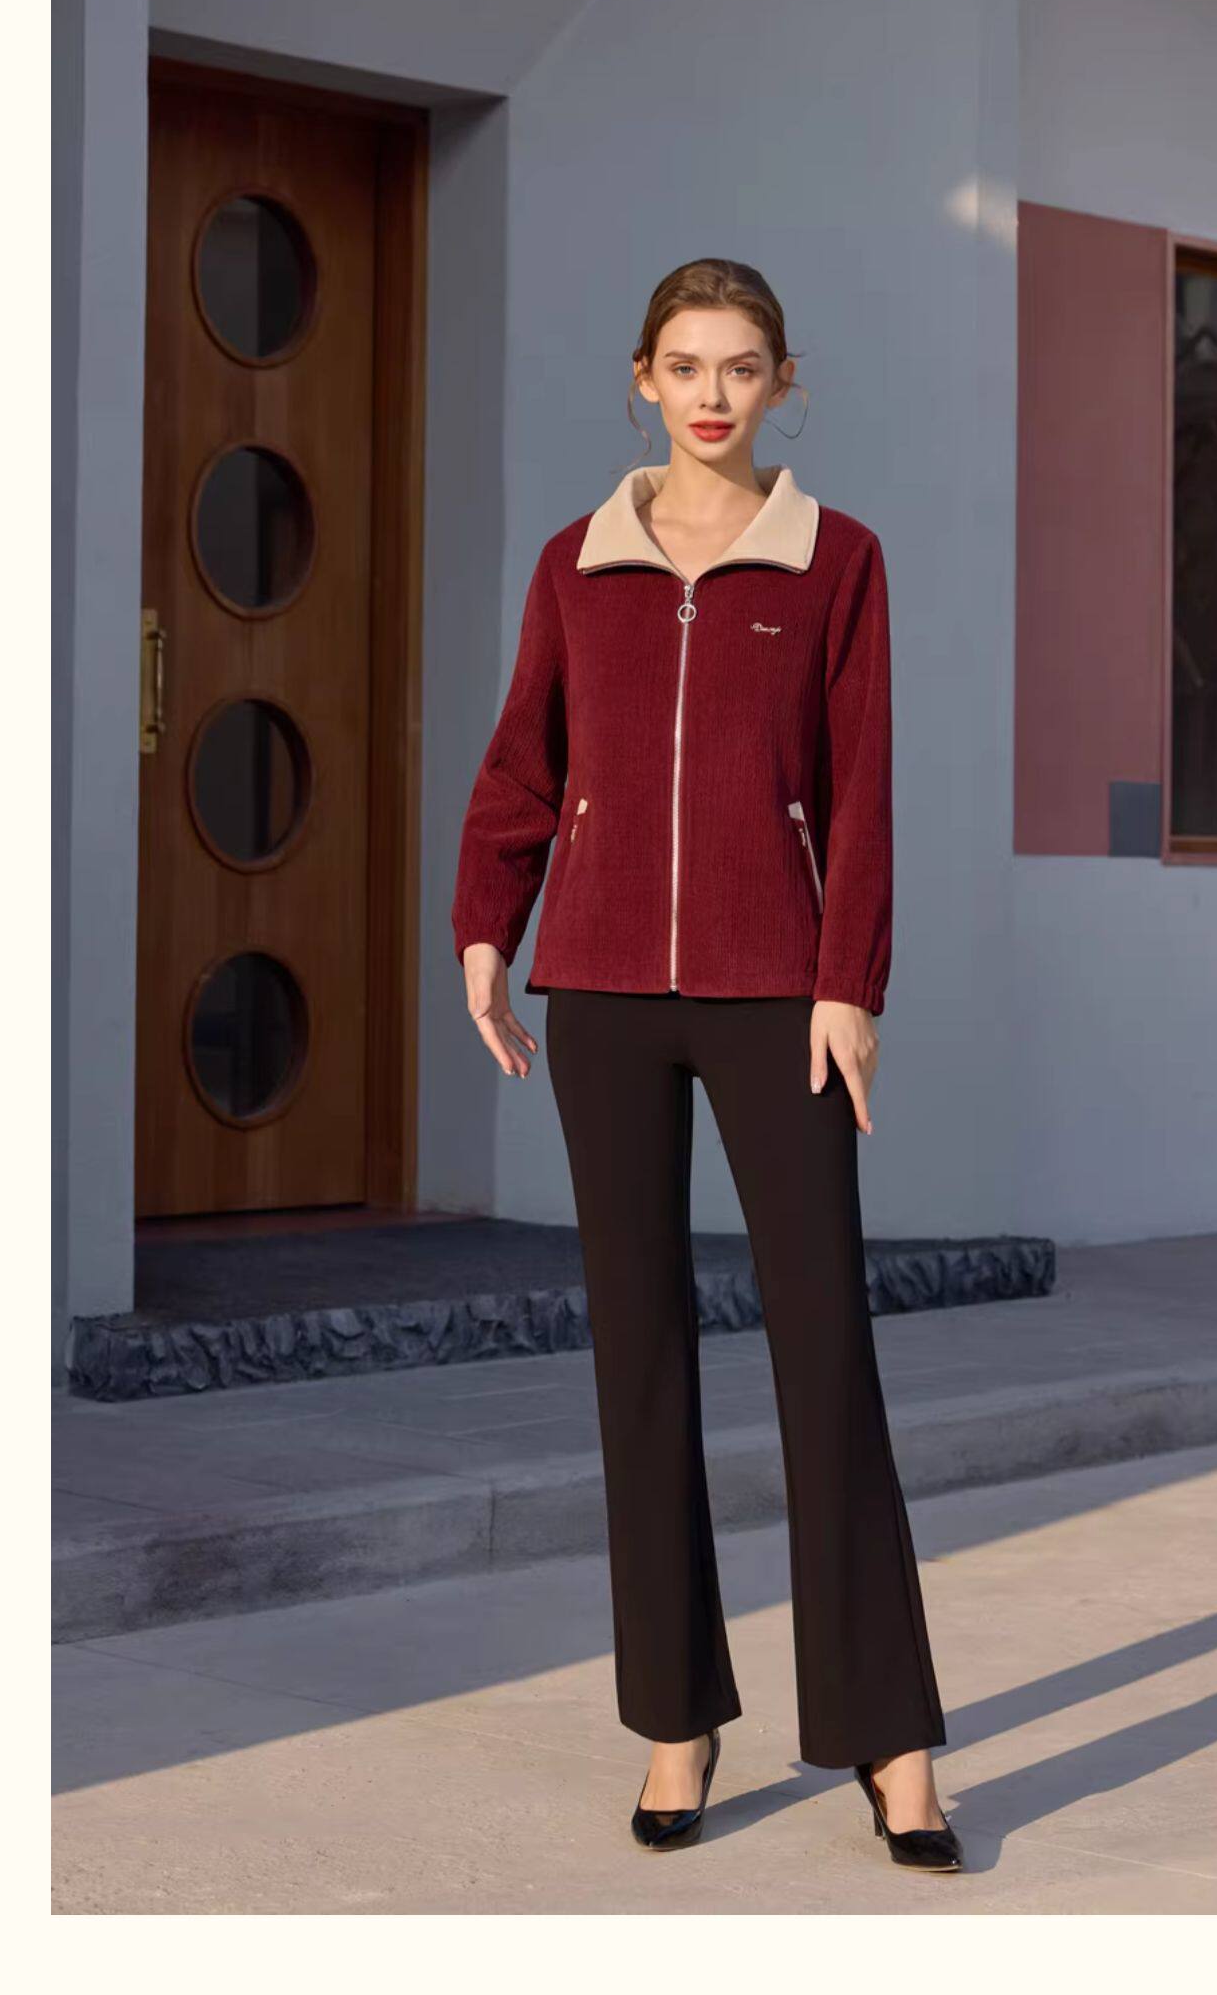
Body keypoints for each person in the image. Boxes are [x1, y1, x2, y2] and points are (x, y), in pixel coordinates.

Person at [451, 258, 961, 1873]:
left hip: (774, 993)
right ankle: (677, 1715)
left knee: (827, 1348)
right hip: (602, 987)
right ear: (643, 379)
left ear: (783, 383)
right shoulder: (577, 565)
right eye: (687, 365)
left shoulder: (836, 561)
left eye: (743, 366)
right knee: (639, 1352)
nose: (714, 394)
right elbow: (523, 761)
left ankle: (889, 1736)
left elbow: (863, 789)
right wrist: (487, 925)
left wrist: (848, 981)